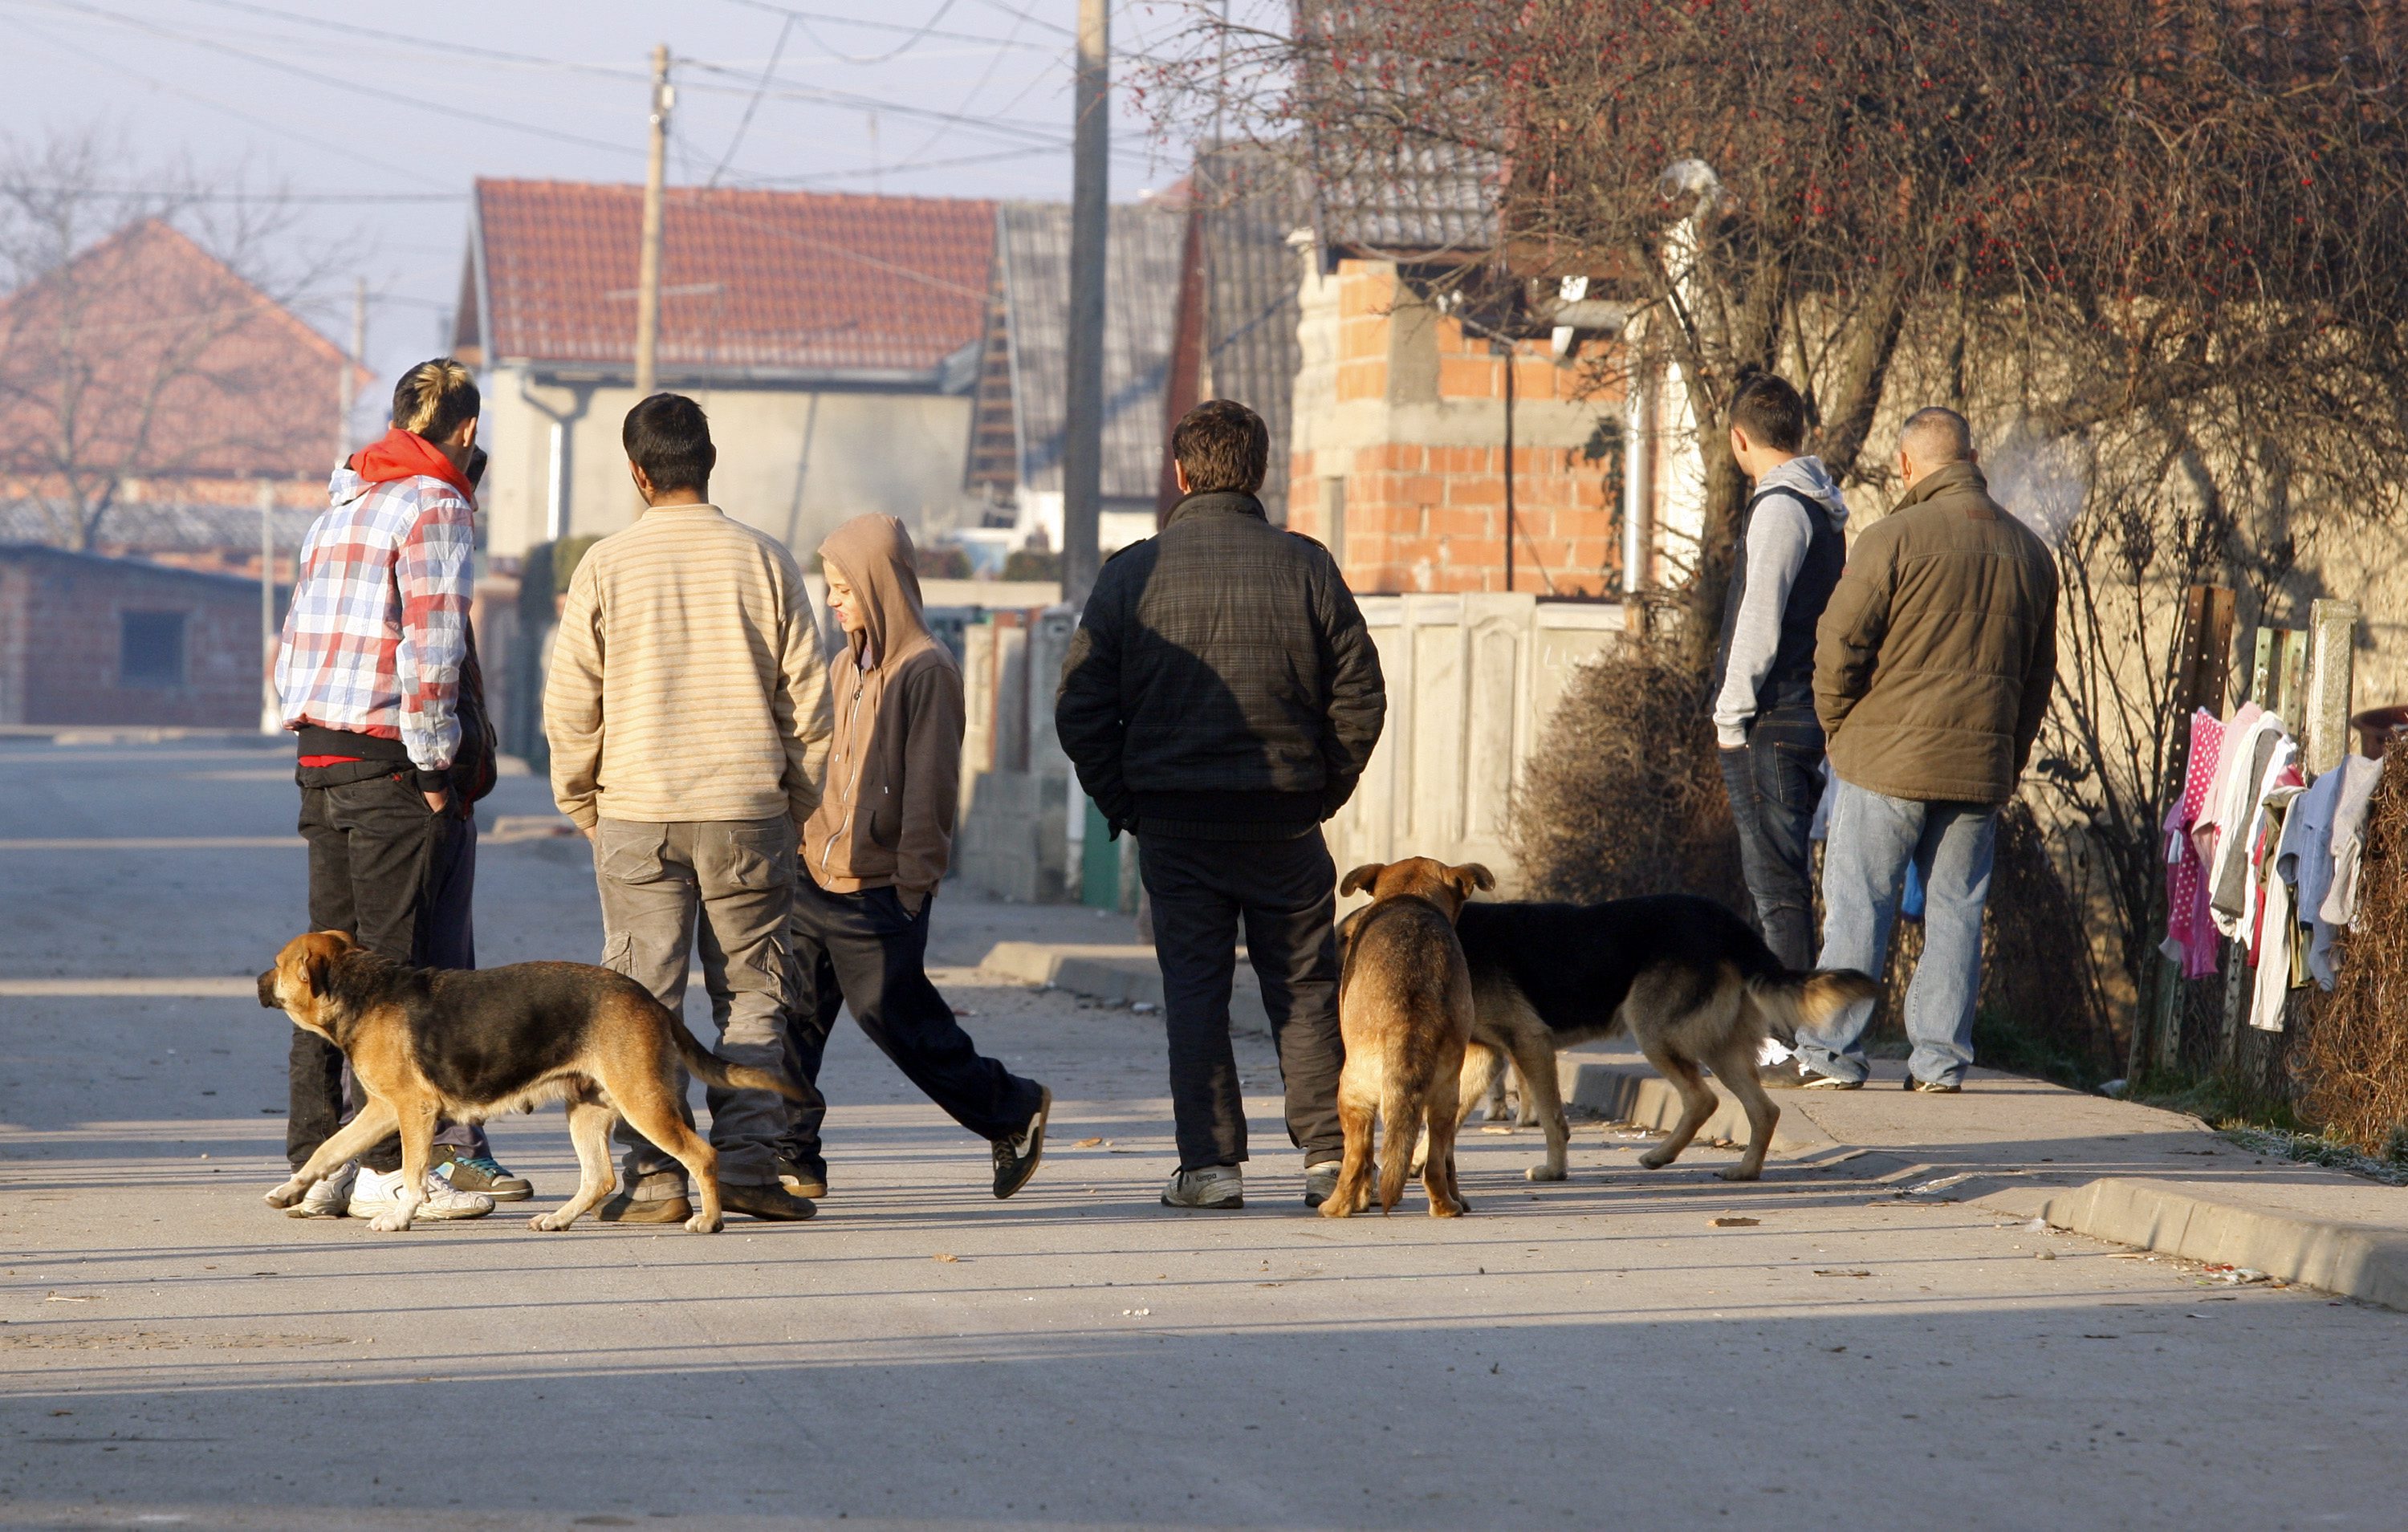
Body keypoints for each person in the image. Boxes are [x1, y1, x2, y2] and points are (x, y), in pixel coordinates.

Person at [1056, 398, 1386, 1212]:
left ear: (1181, 474)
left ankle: (1209, 1167)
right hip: (1284, 818)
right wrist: (1322, 787)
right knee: (1306, 989)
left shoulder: (1132, 575)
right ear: (1261, 471)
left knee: (1195, 995)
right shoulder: (1307, 566)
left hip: (1175, 824)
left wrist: (1127, 801)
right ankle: (1326, 1158)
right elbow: (1362, 697)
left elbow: (1079, 708)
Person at [546, 393, 833, 1223]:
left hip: (637, 808)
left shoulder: (605, 565)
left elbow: (572, 704)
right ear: (709, 463)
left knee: (639, 998)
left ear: (638, 474)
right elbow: (810, 703)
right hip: (748, 807)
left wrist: (582, 799)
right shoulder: (766, 561)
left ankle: (658, 1178)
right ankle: (744, 1163)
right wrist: (794, 802)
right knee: (753, 991)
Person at [274, 359, 515, 1222]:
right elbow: (433, 651)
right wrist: (434, 768)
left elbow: (292, 644)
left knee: (323, 965)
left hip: (320, 757)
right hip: (387, 765)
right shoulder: (436, 503)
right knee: (396, 977)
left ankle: (316, 1157)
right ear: (466, 431)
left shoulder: (341, 504)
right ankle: (383, 1164)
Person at [777, 514, 1052, 1201]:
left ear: (876, 585)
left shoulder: (927, 669)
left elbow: (932, 792)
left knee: (900, 1023)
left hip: (879, 887)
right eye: (830, 587)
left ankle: (1013, 1106)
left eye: (844, 587)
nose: (834, 600)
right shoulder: (845, 664)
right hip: (815, 874)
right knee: (792, 1017)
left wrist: (911, 889)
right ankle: (793, 1156)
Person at [1795, 407, 2059, 1092]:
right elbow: (2036, 679)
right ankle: (1939, 1063)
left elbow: (1838, 644)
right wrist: (2008, 756)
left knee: (1859, 907)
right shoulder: (2031, 553)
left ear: (1908, 466)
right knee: (1956, 916)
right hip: (1978, 772)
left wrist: (1838, 725)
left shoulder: (1891, 538)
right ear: (1972, 458)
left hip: (1883, 759)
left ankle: (1831, 1055)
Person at [1710, 372, 1850, 971]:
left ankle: (1784, 1030)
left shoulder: (1779, 509)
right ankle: (1786, 1024)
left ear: (1741, 439)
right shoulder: (1819, 504)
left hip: (1769, 719)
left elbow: (1758, 620)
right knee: (1781, 884)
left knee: (1775, 888)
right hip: (1801, 710)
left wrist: (1730, 717)